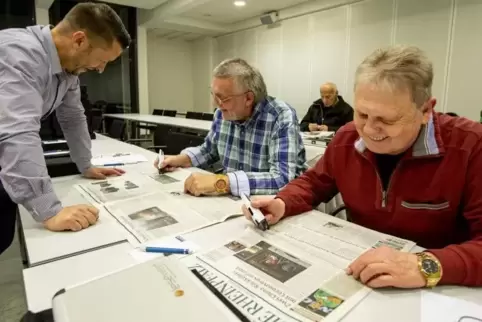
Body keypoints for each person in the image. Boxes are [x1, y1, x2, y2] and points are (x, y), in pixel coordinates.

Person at [243, 45, 482, 288]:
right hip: (361, 272)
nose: (368, 131)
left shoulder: (471, 146)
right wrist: (283, 202)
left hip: (440, 287)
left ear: (426, 111)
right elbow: (314, 183)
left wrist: (425, 264)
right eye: (362, 115)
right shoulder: (346, 138)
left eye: (387, 119)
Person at [0, 3, 131, 254]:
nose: (101, 70)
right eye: (102, 60)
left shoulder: (67, 70)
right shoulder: (19, 56)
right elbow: (17, 133)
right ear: (79, 40)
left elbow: (72, 116)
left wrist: (86, 164)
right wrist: (50, 211)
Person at [155, 58, 307, 197]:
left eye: (222, 98)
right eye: (214, 95)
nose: (216, 104)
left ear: (248, 98)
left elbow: (281, 179)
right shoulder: (222, 114)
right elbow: (209, 151)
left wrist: (221, 183)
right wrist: (180, 159)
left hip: (275, 202)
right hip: (237, 198)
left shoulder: (280, 115)